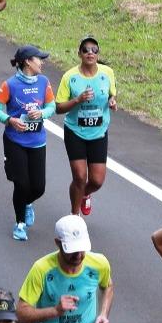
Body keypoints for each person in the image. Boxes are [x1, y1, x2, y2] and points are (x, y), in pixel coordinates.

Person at [0, 45, 56, 242]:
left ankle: (27, 203)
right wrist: (10, 120)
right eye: (39, 59)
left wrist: (42, 113)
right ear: (28, 61)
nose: (42, 62)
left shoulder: (44, 82)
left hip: (37, 141)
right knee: (21, 183)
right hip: (15, 140)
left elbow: (51, 105)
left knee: (38, 187)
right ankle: (20, 224)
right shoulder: (10, 84)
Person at [55, 38, 116, 216]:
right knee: (80, 177)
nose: (90, 52)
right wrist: (78, 100)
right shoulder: (70, 77)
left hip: (98, 132)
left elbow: (112, 94)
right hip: (75, 131)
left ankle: (85, 194)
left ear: (98, 54)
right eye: (86, 49)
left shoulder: (107, 73)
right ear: (79, 53)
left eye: (94, 50)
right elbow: (59, 108)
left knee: (96, 181)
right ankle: (74, 217)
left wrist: (112, 101)